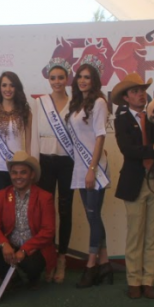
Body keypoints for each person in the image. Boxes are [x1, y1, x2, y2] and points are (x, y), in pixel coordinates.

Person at [111, 73, 154, 299]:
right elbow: (128, 150)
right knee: (135, 234)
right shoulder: (121, 120)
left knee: (153, 234)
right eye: (135, 91)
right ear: (126, 98)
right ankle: (134, 280)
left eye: (142, 90)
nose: (141, 94)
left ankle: (149, 280)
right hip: (134, 182)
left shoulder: (153, 114)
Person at [66, 58, 113, 288]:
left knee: (94, 216)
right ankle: (105, 265)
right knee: (93, 217)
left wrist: (92, 169)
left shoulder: (100, 103)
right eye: (80, 77)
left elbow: (100, 137)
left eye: (87, 77)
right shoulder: (76, 105)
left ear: (94, 81)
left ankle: (91, 265)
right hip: (80, 168)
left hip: (93, 167)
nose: (82, 81)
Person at [0, 151, 56, 289]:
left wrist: (24, 251)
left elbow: (48, 231)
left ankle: (32, 277)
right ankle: (13, 278)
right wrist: (4, 244)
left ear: (32, 175)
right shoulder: (2, 195)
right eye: (14, 173)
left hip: (33, 248)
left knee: (33, 267)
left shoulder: (44, 197)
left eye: (23, 172)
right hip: (10, 244)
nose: (18, 177)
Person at [34, 58, 75, 283]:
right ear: (48, 80)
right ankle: (47, 257)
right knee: (46, 211)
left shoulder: (75, 102)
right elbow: (32, 133)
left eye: (60, 77)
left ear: (66, 79)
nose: (57, 81)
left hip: (68, 161)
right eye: (53, 78)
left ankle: (62, 257)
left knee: (66, 209)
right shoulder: (40, 103)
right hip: (45, 161)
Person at [0, 71, 37, 198]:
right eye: (4, 85)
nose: (8, 89)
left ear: (17, 88)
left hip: (19, 169)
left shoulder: (24, 112)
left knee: (19, 208)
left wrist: (30, 168)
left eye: (11, 85)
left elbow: (29, 144)